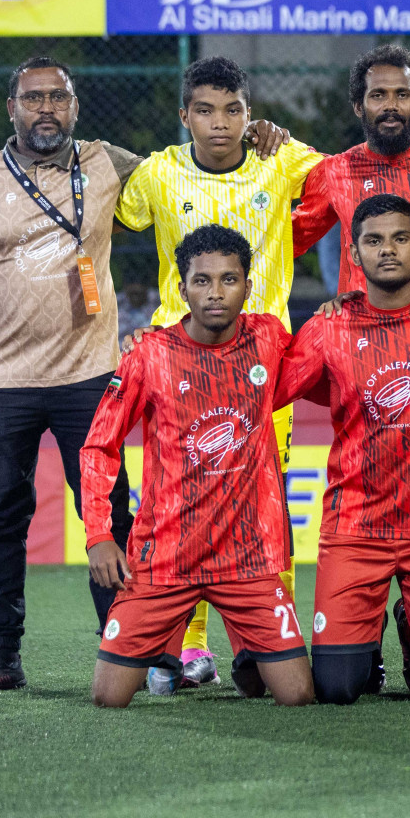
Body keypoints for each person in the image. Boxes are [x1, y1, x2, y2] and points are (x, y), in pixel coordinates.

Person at [0, 57, 139, 693]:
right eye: (33, 98)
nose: (46, 108)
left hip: (90, 375)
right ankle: (1, 658)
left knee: (110, 517)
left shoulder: (112, 165)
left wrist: (262, 139)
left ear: (74, 107)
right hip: (3, 380)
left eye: (58, 97)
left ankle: (124, 650)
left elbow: (190, 179)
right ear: (10, 109)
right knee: (0, 520)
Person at [115, 56, 320, 692]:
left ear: (249, 114)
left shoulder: (283, 162)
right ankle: (189, 648)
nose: (220, 123)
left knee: (267, 507)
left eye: (233, 110)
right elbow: (105, 214)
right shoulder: (157, 174)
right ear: (185, 117)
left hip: (260, 367)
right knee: (179, 508)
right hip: (176, 366)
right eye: (205, 110)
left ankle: (268, 639)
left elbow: (349, 185)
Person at [80, 225, 313, 707]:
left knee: (297, 697)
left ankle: (250, 658)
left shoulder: (269, 340)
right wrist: (100, 535)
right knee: (108, 698)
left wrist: (344, 308)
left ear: (248, 286)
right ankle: (216, 656)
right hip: (165, 557)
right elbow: (99, 446)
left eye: (229, 280)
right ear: (181, 288)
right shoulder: (148, 354)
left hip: (248, 557)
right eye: (202, 281)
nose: (215, 292)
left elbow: (328, 359)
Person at [277, 194, 410, 705]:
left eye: (401, 238)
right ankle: (364, 637)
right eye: (374, 241)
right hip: (356, 527)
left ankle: (409, 620)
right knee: (337, 689)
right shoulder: (328, 327)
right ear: (354, 254)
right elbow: (273, 386)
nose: (388, 251)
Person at [292, 44, 410, 295]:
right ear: (359, 106)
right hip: (364, 329)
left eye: (402, 95)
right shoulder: (336, 171)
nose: (390, 105)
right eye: (378, 95)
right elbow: (286, 242)